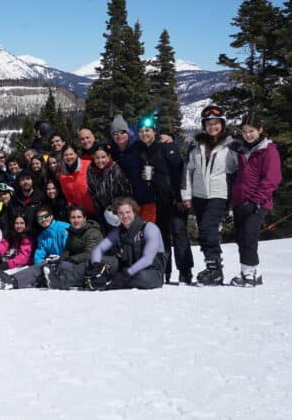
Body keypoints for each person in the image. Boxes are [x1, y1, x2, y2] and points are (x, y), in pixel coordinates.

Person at [180, 104, 235, 286]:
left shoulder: (231, 146)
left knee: (207, 229)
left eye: (216, 123)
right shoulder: (195, 147)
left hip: (219, 193)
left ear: (222, 124)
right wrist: (186, 196)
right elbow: (187, 172)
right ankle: (212, 266)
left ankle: (214, 268)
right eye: (209, 123)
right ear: (204, 126)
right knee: (204, 231)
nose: (213, 127)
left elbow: (236, 172)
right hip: (199, 195)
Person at [132, 118, 189, 284]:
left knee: (178, 233)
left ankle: (185, 271)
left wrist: (180, 196)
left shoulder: (166, 147)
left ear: (154, 132)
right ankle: (165, 270)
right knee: (162, 236)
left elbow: (178, 172)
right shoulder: (142, 150)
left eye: (147, 130)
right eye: (141, 131)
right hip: (156, 200)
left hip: (172, 198)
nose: (144, 133)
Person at [228, 113, 282, 287]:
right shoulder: (243, 150)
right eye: (244, 132)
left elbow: (272, 179)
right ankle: (253, 272)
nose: (248, 135)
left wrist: (255, 201)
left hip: (258, 202)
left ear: (260, 130)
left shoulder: (268, 150)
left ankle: (249, 274)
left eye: (251, 131)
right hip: (240, 201)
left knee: (249, 236)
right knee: (241, 237)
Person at [85, 197, 166, 290]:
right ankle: (93, 280)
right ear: (117, 215)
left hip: (151, 271)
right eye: (121, 213)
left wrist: (126, 274)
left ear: (134, 212)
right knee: (91, 262)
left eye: (128, 212)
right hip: (127, 268)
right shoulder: (117, 231)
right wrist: (96, 265)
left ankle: (115, 282)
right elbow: (99, 249)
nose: (125, 216)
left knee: (141, 278)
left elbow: (148, 259)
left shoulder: (149, 228)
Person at [47, 206, 103, 290]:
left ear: (84, 218)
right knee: (48, 265)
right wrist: (60, 260)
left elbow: (90, 254)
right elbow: (67, 250)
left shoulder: (93, 232)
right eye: (73, 217)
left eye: (79, 217)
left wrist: (70, 259)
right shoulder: (72, 231)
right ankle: (20, 280)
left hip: (92, 265)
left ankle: (55, 280)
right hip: (76, 262)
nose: (76, 220)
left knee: (63, 266)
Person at [86, 144, 132, 231]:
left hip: (117, 213)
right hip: (101, 212)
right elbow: (92, 191)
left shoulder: (115, 170)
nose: (100, 161)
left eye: (103, 157)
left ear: (108, 156)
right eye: (97, 158)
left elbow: (125, 193)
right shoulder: (91, 169)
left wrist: (116, 210)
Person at [58, 145, 94, 217]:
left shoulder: (88, 165)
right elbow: (68, 196)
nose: (68, 157)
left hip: (95, 208)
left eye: (71, 154)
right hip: (80, 213)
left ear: (76, 154)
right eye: (66, 155)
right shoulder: (62, 175)